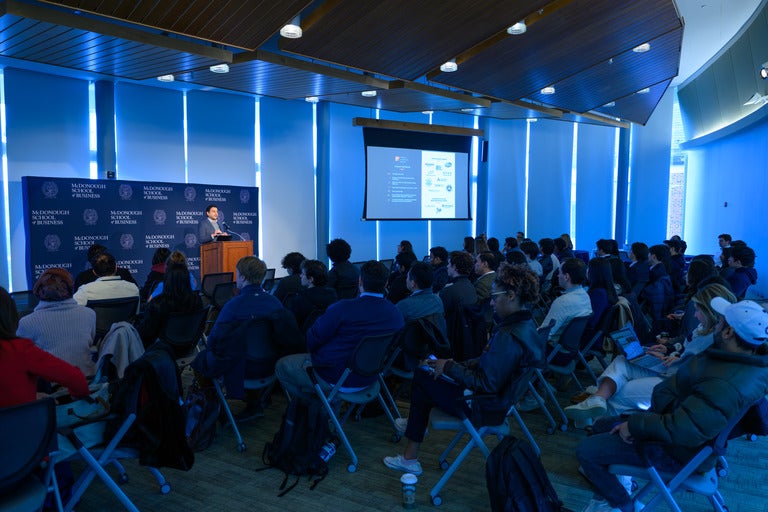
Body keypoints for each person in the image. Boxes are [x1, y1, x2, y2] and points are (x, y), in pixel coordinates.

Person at [576, 296, 768, 512]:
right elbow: (680, 404)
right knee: (601, 427)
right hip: (678, 435)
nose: (717, 323)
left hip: (679, 453)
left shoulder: (724, 383)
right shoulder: (739, 363)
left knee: (586, 450)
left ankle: (622, 505)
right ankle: (610, 499)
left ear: (729, 332)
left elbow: (684, 429)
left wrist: (635, 425)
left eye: (721, 321)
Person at [382, 263, 543, 475]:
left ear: (511, 295)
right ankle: (414, 430)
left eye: (495, 297)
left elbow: (484, 383)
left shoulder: (508, 336)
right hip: (497, 402)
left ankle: (411, 454)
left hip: (481, 406)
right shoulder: (526, 326)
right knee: (430, 373)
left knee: (422, 376)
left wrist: (449, 366)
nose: (492, 303)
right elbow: (490, 364)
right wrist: (454, 365)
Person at [566, 284, 737, 425]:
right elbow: (690, 350)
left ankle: (597, 428)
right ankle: (597, 399)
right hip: (673, 371)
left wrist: (675, 360)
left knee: (621, 392)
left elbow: (697, 367)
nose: (695, 314)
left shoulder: (716, 339)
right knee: (622, 360)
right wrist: (671, 351)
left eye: (699, 309)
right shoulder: (707, 328)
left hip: (676, 382)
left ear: (711, 312)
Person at [275, 260, 405, 400]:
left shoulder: (342, 308)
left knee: (281, 366)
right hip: (370, 377)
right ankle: (324, 405)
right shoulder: (396, 314)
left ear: (360, 281)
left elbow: (313, 339)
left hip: (333, 375)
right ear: (386, 283)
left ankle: (317, 407)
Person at [192, 256, 285, 418]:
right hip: (271, 366)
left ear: (242, 277)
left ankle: (213, 406)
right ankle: (254, 403)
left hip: (241, 368)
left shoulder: (233, 306)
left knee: (200, 360)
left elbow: (213, 341)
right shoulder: (275, 303)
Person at [0, 286, 89, 408]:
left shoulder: (23, 338)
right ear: (9, 314)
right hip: (24, 425)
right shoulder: (20, 350)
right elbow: (76, 379)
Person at [17, 268, 96, 377]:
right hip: (87, 382)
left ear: (38, 290)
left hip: (49, 387)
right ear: (70, 288)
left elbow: (20, 358)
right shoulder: (89, 314)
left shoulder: (27, 322)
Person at [136, 257, 204, 348]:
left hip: (162, 352)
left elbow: (146, 335)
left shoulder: (158, 304)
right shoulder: (197, 301)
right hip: (189, 349)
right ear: (187, 279)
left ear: (167, 279)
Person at [541, 258, 592, 344]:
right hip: (569, 349)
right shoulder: (585, 296)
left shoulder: (562, 301)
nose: (557, 276)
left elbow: (544, 334)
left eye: (560, 272)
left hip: (551, 349)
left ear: (566, 277)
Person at [288, 259, 338, 333]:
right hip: (328, 335)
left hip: (305, 339)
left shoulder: (301, 298)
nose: (300, 275)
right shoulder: (332, 294)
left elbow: (292, 324)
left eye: (302, 273)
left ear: (311, 279)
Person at [73, 252, 140, 307]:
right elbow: (136, 314)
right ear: (116, 267)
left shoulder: (85, 292)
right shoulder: (133, 288)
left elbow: (76, 312)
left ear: (94, 272)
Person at [439, 251, 478, 316]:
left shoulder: (448, 291)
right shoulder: (472, 286)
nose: (447, 266)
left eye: (449, 263)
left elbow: (442, 315)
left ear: (454, 266)